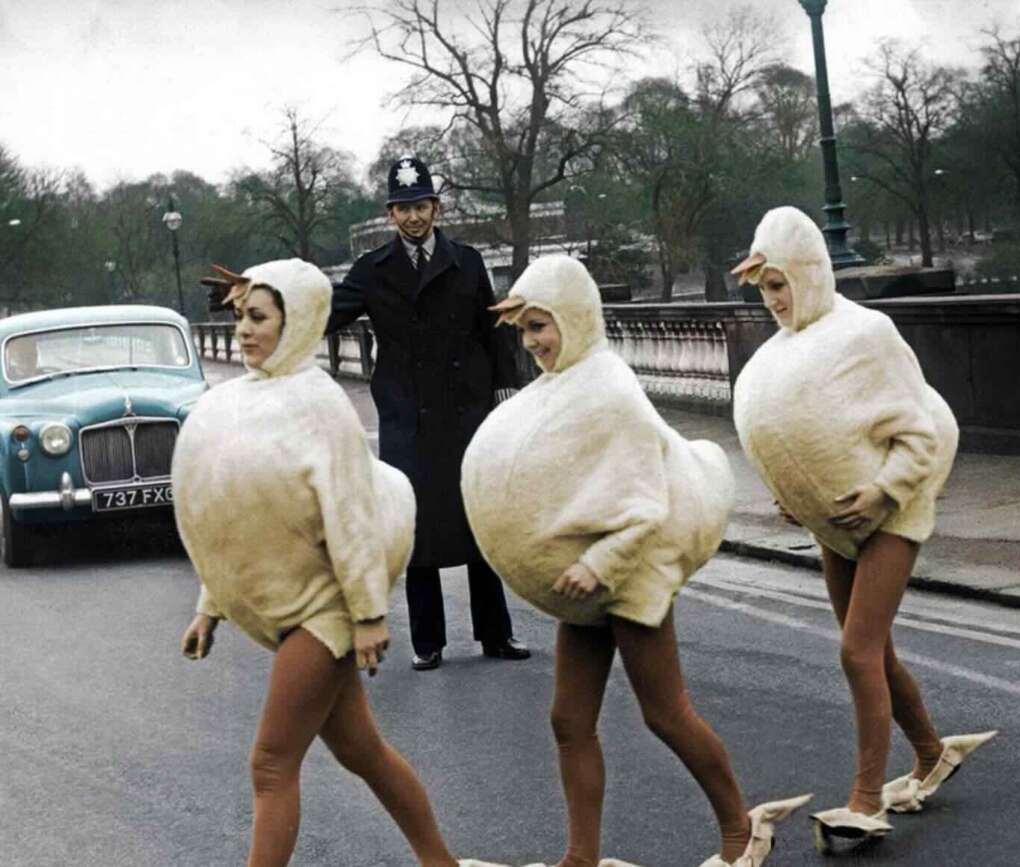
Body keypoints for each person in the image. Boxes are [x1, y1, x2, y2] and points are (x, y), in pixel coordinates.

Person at [459, 255, 810, 867]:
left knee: (665, 714)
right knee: (568, 721)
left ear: (573, 316)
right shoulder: (560, 386)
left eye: (542, 325)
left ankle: (740, 830)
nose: (533, 342)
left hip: (630, 571)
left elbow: (646, 501)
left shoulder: (609, 387)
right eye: (525, 330)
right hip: (587, 581)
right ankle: (581, 857)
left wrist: (599, 562)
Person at [174, 260, 462, 867]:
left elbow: (352, 519)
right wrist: (211, 604)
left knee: (271, 763)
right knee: (365, 754)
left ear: (297, 320)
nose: (244, 331)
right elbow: (235, 518)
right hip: (295, 605)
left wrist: (366, 616)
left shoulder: (322, 406)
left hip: (324, 611)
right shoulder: (234, 402)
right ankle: (442, 864)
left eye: (259, 318)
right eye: (239, 318)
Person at [729, 207, 996, 851]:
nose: (773, 301)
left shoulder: (866, 332)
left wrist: (886, 489)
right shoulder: (779, 351)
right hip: (835, 524)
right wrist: (792, 495)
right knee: (877, 651)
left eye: (780, 284)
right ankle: (932, 753)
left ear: (811, 272)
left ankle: (866, 798)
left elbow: (922, 428)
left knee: (856, 651)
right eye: (765, 290)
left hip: (892, 516)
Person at [326, 155, 529, 671]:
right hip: (407, 417)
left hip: (468, 411)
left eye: (421, 206)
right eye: (403, 209)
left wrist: (508, 390)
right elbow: (325, 312)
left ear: (436, 207)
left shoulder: (469, 261)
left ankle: (495, 634)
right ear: (390, 216)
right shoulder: (372, 271)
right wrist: (266, 305)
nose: (414, 217)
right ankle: (428, 642)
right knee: (412, 527)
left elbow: (493, 330)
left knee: (478, 520)